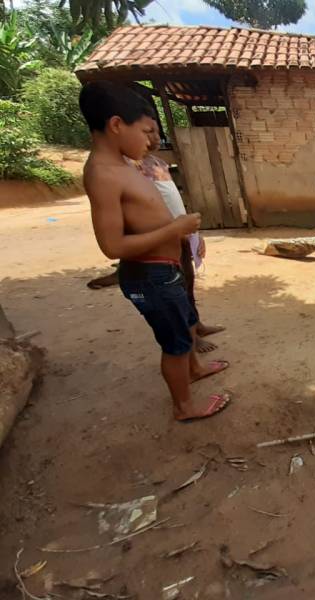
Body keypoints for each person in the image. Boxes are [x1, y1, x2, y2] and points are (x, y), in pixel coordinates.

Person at [79, 81, 231, 422]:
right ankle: (184, 406)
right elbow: (112, 246)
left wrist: (183, 237)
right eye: (146, 131)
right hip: (150, 276)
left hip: (166, 268)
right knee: (175, 342)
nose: (152, 140)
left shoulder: (123, 165)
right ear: (116, 125)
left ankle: (194, 369)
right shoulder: (103, 174)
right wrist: (174, 230)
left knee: (187, 320)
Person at [126, 128, 225, 353]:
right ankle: (191, 338)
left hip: (181, 234)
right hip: (164, 238)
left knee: (188, 281)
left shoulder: (159, 163)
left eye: (156, 133)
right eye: (148, 132)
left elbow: (174, 201)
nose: (154, 139)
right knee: (177, 288)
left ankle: (196, 324)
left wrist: (194, 234)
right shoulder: (132, 168)